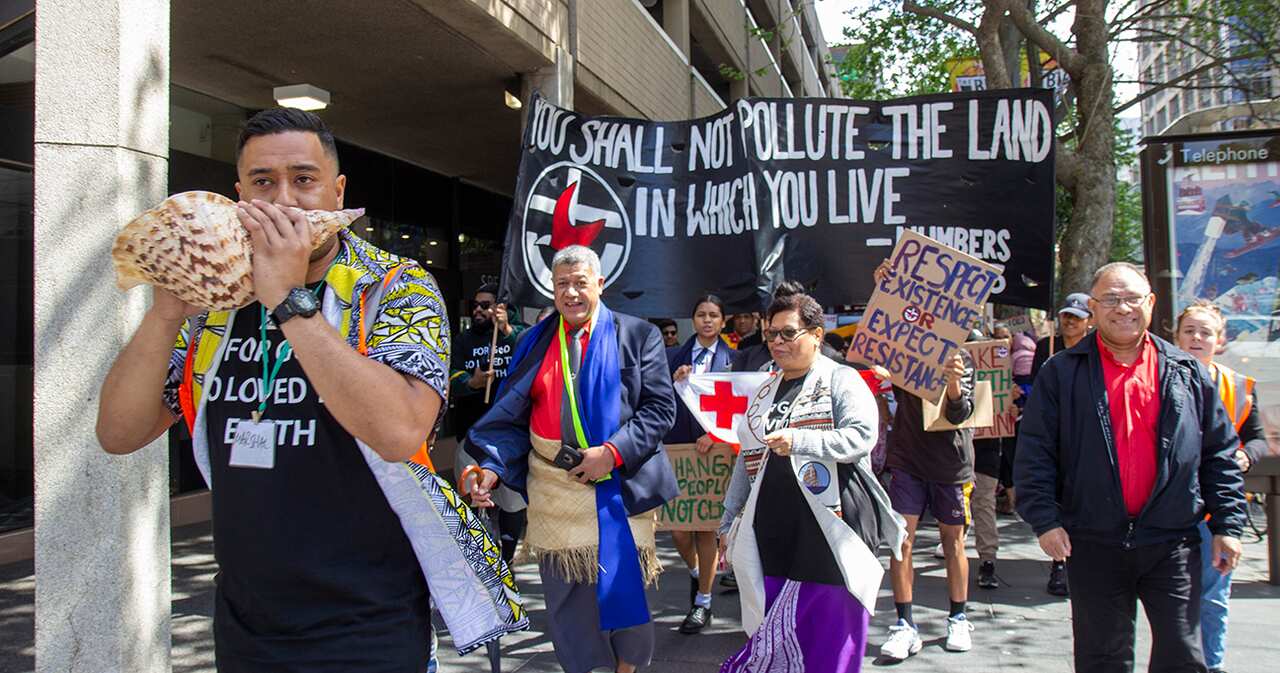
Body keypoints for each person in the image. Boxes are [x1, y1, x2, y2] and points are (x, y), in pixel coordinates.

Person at [95, 108, 520, 671]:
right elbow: (119, 432)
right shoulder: (218, 299)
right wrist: (167, 311)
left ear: (337, 191)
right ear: (239, 195)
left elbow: (401, 431)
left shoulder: (394, 285)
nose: (284, 201)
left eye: (303, 179)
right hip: (246, 623)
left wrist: (288, 300)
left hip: (370, 623)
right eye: (263, 182)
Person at [1015, 262, 1248, 673]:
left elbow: (1219, 453)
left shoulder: (1187, 371)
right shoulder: (1062, 372)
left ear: (1151, 303)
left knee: (1182, 655)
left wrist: (1228, 525)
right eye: (1110, 299)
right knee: (1102, 658)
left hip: (1173, 541)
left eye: (1132, 298)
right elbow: (1035, 453)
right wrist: (1045, 521)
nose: (1122, 308)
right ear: (1093, 307)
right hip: (1093, 541)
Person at [466, 245, 678, 673]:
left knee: (622, 592)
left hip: (618, 482)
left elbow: (659, 409)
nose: (571, 292)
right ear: (552, 288)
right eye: (562, 283)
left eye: (580, 282)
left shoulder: (638, 335)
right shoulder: (533, 341)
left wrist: (612, 453)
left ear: (600, 284)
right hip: (553, 487)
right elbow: (512, 419)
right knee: (567, 604)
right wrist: (491, 467)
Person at [718, 292, 905, 673]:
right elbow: (747, 456)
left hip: (832, 535)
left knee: (830, 646)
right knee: (777, 643)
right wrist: (728, 519)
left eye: (788, 333)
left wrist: (800, 440)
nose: (777, 342)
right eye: (771, 334)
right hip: (775, 536)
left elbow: (861, 438)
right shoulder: (765, 391)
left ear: (817, 335)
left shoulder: (842, 379)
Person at [870, 260, 979, 661]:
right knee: (901, 541)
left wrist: (953, 383)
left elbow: (960, 413)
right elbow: (880, 331)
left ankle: (958, 617)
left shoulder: (962, 357)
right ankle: (904, 624)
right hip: (908, 459)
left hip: (951, 463)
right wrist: (884, 289)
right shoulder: (903, 350)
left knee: (954, 542)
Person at [1175, 300, 1267, 673]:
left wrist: (1246, 456)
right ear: (1176, 336)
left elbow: (1257, 439)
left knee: (1213, 595)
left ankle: (1211, 665)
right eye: (1189, 331)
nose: (1196, 338)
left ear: (1220, 340)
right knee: (1172, 598)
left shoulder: (1239, 386)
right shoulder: (1156, 379)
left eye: (1205, 332)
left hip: (1217, 511)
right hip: (1169, 509)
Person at [665, 294, 740, 634]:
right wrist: (674, 380)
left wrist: (716, 435)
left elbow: (739, 412)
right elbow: (658, 399)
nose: (707, 320)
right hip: (678, 451)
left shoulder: (735, 361)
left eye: (714, 315)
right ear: (692, 319)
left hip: (714, 454)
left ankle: (703, 601)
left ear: (723, 321)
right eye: (701, 314)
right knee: (680, 530)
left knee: (705, 528)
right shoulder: (672, 357)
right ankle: (699, 573)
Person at [451, 283, 527, 562]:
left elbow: (532, 358)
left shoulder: (520, 335)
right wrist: (472, 382)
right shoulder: (463, 340)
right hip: (472, 434)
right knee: (472, 495)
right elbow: (450, 378)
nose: (478, 310)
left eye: (486, 305)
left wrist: (506, 330)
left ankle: (507, 559)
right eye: (475, 305)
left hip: (512, 436)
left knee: (512, 502)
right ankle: (477, 557)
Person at [1028, 291, 1094, 596]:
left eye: (1077, 317)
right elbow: (1032, 386)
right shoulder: (1046, 348)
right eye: (1066, 315)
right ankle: (1060, 563)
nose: (1070, 321)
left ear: (1088, 321)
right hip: (1052, 434)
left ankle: (1075, 561)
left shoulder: (1095, 351)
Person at [972, 324, 1019, 590]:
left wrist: (1011, 406)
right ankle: (955, 545)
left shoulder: (999, 376)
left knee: (984, 503)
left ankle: (987, 559)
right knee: (965, 505)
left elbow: (1009, 408)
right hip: (956, 450)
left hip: (987, 448)